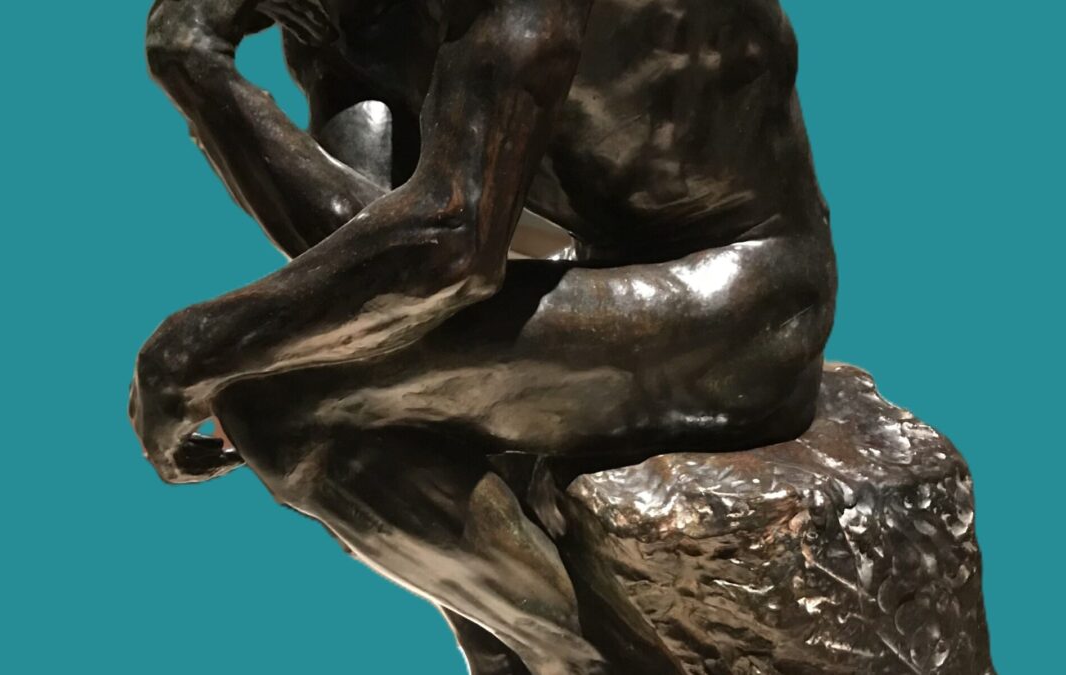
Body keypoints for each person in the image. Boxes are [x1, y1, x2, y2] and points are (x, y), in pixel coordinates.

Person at [130, 1, 836, 672]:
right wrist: (199, 69)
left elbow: (450, 246)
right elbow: (358, 255)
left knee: (284, 409)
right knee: (298, 387)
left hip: (747, 299)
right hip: (606, 270)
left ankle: (586, 662)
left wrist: (190, 352)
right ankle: (513, 652)